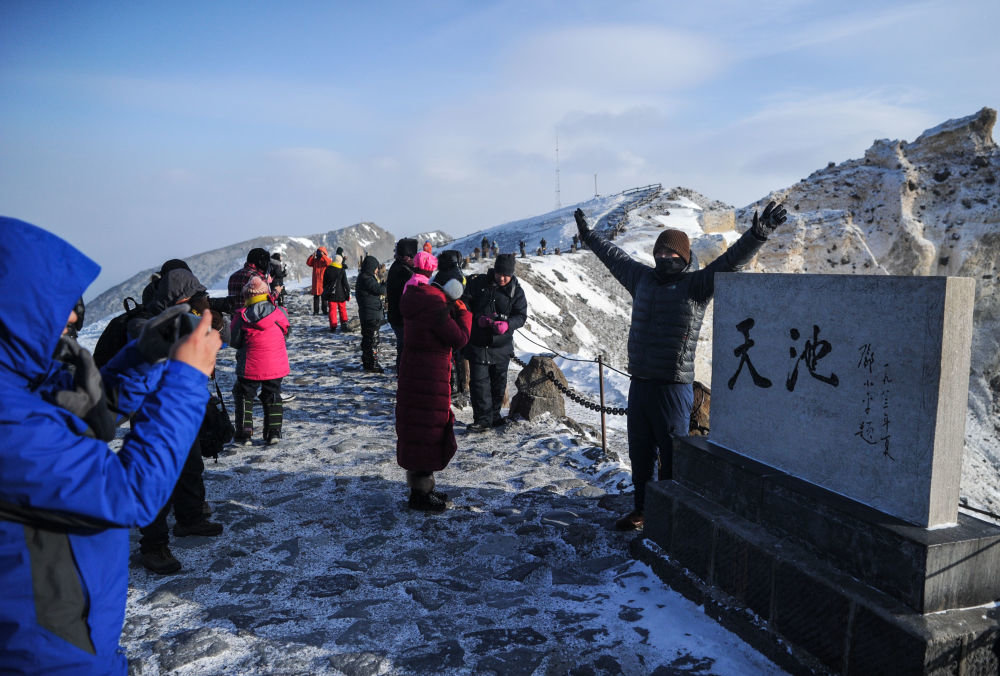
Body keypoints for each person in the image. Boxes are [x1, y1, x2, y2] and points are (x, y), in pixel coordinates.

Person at [0, 217, 220, 673]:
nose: (74, 316)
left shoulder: (19, 379)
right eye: (54, 303)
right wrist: (186, 379)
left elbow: (82, 412)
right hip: (45, 651)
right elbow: (129, 494)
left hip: (76, 629)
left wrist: (144, 355)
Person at [574, 202, 788, 530]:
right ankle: (642, 510)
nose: (665, 259)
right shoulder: (641, 279)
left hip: (674, 386)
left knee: (673, 456)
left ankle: (674, 515)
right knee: (640, 455)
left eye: (672, 255)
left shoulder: (696, 287)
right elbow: (614, 257)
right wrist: (589, 236)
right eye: (660, 254)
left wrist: (759, 234)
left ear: (685, 258)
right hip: (640, 383)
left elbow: (731, 262)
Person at [129, 268, 226, 574]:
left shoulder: (181, 318)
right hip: (152, 415)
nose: (197, 304)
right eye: (192, 298)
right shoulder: (141, 323)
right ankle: (154, 546)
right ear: (179, 298)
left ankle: (190, 519)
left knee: (190, 465)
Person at [396, 263, 472, 512]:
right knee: (428, 431)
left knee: (419, 430)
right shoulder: (435, 307)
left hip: (415, 374)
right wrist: (463, 313)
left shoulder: (420, 298)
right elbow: (459, 338)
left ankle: (422, 487)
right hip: (429, 378)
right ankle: (420, 495)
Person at [462, 253, 528, 431]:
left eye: (506, 275)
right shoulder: (478, 283)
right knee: (479, 384)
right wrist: (477, 319)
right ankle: (482, 420)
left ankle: (494, 416)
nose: (502, 278)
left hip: (501, 346)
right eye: (499, 273)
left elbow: (521, 316)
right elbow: (465, 303)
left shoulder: (516, 291)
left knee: (498, 383)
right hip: (478, 343)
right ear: (495, 270)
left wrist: (507, 324)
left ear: (512, 274)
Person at [231, 276, 291, 445]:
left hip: (250, 364)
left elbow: (234, 340)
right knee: (272, 394)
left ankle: (244, 434)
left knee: (243, 394)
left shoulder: (242, 316)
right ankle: (273, 433)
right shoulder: (279, 312)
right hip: (275, 364)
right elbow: (287, 331)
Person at [386, 238, 418, 367]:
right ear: (407, 256)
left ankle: (403, 371)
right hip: (401, 317)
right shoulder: (402, 271)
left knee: (403, 346)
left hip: (397, 316)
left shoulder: (399, 267)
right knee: (404, 347)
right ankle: (402, 372)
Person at [355, 254, 387, 373]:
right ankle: (373, 364)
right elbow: (381, 290)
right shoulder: (367, 279)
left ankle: (367, 361)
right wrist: (385, 283)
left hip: (367, 314)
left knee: (367, 339)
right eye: (375, 267)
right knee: (373, 340)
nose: (377, 270)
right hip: (370, 315)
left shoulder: (363, 277)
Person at [227, 248, 271, 313]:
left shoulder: (233, 276)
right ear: (260, 262)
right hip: (252, 320)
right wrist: (277, 291)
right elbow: (266, 302)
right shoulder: (258, 277)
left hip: (236, 320)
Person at [322, 254, 352, 332]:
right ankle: (344, 323)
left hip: (331, 294)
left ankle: (333, 326)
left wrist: (325, 289)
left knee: (332, 310)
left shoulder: (328, 269)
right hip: (341, 293)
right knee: (342, 309)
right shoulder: (342, 270)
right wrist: (348, 291)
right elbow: (345, 283)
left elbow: (324, 282)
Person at [306, 246, 333, 315]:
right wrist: (312, 256)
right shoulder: (315, 260)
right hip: (316, 282)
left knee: (324, 297)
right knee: (316, 297)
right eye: (318, 252)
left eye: (320, 252)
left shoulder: (325, 260)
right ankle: (316, 311)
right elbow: (308, 263)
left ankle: (324, 310)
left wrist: (323, 256)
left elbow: (329, 263)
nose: (318, 254)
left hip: (323, 282)